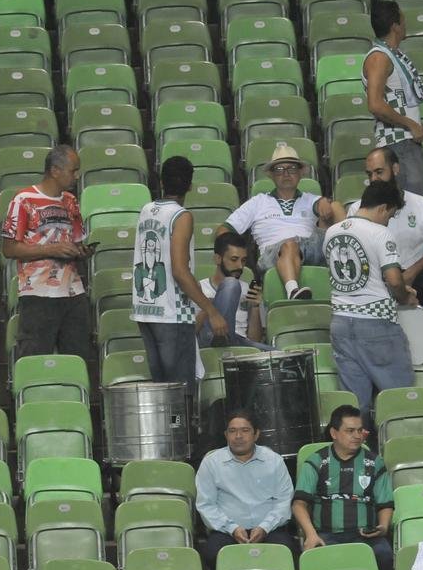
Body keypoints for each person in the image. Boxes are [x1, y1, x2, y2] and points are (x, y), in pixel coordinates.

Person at [133, 156, 228, 391]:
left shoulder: (146, 210)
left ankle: (171, 428)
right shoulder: (181, 216)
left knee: (163, 391)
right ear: (190, 185)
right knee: (181, 393)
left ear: (161, 181)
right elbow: (179, 270)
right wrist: (211, 311)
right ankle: (181, 428)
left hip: (146, 309)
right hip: (171, 313)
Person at [325, 179, 417, 415]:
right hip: (376, 325)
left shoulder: (332, 232)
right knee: (399, 400)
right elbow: (394, 280)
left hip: (341, 322)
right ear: (383, 208)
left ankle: (360, 448)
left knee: (355, 408)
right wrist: (405, 297)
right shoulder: (380, 233)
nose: (389, 220)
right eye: (390, 215)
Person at [347, 147, 423, 326]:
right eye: (369, 174)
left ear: (395, 169)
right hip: (378, 279)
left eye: (379, 172)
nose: (373, 179)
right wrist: (391, 279)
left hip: (415, 273)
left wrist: (411, 272)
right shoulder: (358, 209)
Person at [1, 145, 92, 361]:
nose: (77, 176)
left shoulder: (70, 201)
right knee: (35, 359)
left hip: (73, 291)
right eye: (73, 170)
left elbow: (77, 241)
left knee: (77, 358)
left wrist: (81, 251)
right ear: (55, 170)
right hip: (38, 293)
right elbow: (9, 248)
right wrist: (51, 249)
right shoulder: (23, 200)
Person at [220, 145, 345, 301]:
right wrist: (236, 254)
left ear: (300, 173)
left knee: (335, 206)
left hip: (310, 247)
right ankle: (293, 291)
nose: (286, 174)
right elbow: (224, 230)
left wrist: (325, 202)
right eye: (279, 169)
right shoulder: (258, 202)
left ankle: (349, 256)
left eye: (292, 168)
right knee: (290, 244)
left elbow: (327, 210)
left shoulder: (310, 199)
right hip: (273, 253)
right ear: (271, 175)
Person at [293, 405, 396, 570]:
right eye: (350, 431)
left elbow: (385, 503)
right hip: (327, 535)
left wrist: (383, 528)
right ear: (334, 433)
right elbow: (298, 504)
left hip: (367, 536)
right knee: (321, 561)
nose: (357, 436)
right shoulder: (316, 461)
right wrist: (311, 535)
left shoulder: (375, 462)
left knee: (384, 555)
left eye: (360, 430)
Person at [196, 409, 296, 569]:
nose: (238, 436)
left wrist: (264, 527)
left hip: (270, 529)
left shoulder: (274, 461)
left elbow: (283, 501)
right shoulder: (211, 463)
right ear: (226, 435)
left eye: (245, 430)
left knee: (287, 552)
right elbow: (206, 505)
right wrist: (232, 528)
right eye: (232, 431)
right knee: (213, 554)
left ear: (256, 434)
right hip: (227, 531)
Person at [363, 1, 423, 196]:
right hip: (398, 144)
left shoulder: (391, 55)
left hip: (405, 142)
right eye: (403, 19)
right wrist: (410, 124)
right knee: (407, 208)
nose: (405, 23)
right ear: (395, 26)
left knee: (412, 207)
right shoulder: (379, 58)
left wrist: (417, 126)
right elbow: (375, 104)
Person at [197, 232, 269, 350]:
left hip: (238, 343)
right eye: (234, 259)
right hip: (208, 342)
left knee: (283, 355)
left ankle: (227, 341)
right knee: (231, 284)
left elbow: (254, 339)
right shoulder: (199, 289)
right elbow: (190, 334)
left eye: (244, 260)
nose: (240, 266)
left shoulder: (248, 291)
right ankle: (221, 338)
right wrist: (208, 309)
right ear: (218, 259)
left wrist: (255, 307)